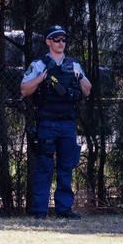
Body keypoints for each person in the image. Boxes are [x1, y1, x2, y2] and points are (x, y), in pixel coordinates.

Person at [20, 25, 92, 219]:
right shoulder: (39, 64)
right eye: (57, 39)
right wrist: (40, 79)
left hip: (68, 123)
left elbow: (87, 90)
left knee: (66, 167)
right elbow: (24, 90)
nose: (61, 43)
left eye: (64, 39)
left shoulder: (73, 65)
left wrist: (80, 78)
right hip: (47, 122)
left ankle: (64, 209)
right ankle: (40, 211)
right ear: (48, 41)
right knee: (44, 167)